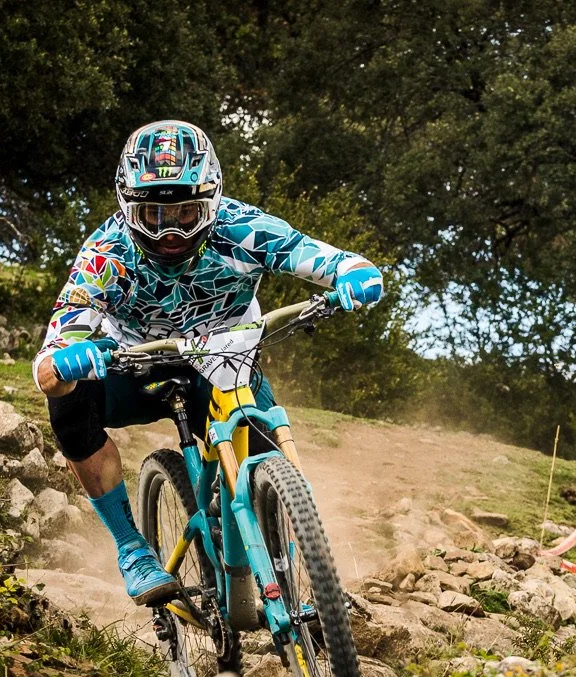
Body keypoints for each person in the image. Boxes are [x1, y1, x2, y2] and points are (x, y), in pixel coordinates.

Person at [33, 120, 384, 606]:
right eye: (154, 215)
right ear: (128, 208)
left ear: (213, 203)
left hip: (221, 362)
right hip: (133, 366)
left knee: (267, 456)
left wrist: (355, 272)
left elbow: (323, 256)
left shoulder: (243, 228)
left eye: (187, 212)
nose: (171, 231)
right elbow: (49, 360)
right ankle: (131, 547)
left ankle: (306, 586)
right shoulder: (105, 254)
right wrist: (66, 359)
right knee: (66, 399)